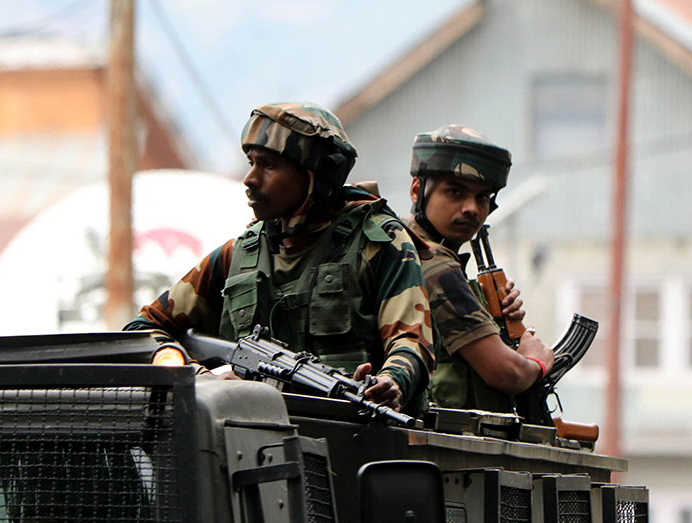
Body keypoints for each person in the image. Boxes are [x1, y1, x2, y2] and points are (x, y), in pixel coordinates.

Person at [126, 102, 434, 414]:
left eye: (269, 165)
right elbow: (143, 330)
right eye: (251, 162)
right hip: (251, 432)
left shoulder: (378, 241)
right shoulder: (238, 255)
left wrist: (391, 381)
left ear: (315, 176)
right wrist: (204, 379)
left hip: (353, 430)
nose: (250, 179)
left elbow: (412, 342)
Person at [403, 124, 554, 413]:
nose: (472, 208)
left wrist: (493, 317)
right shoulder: (433, 261)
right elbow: (506, 372)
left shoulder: (399, 245)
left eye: (482, 197)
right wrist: (536, 361)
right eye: (455, 192)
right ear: (417, 190)